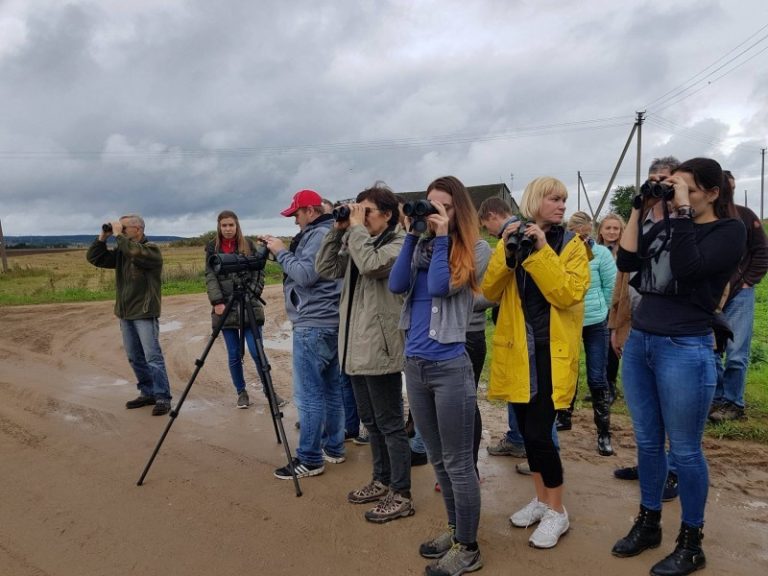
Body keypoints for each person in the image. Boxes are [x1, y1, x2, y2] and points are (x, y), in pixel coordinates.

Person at [611, 158, 745, 576]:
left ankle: (691, 541)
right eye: (673, 188)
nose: (675, 195)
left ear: (712, 192)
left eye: (685, 187)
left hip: (685, 346)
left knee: (685, 450)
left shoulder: (729, 231)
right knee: (648, 443)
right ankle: (649, 522)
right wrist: (640, 207)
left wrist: (681, 211)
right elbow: (627, 262)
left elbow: (687, 269)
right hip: (642, 343)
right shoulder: (664, 222)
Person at [483, 177, 589, 549]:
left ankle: (558, 512)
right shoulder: (511, 237)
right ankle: (542, 500)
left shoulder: (572, 245)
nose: (561, 205)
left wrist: (542, 250)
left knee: (542, 433)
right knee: (527, 432)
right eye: (553, 198)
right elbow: (490, 291)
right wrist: (507, 255)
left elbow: (567, 293)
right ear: (534, 201)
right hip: (519, 351)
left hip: (550, 351)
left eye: (563, 199)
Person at [389, 176, 485, 576]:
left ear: (456, 210)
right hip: (416, 364)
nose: (431, 212)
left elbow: (442, 287)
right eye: (427, 205)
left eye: (440, 206)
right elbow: (397, 285)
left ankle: (469, 546)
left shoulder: (477, 249)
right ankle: (454, 529)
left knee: (459, 463)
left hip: (449, 367)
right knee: (437, 459)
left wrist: (442, 236)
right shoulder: (421, 244)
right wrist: (412, 235)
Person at [316, 182, 413, 523]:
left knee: (389, 423)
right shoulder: (359, 240)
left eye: (366, 210)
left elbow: (372, 266)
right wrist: (337, 231)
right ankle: (381, 480)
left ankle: (401, 493)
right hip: (355, 347)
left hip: (381, 348)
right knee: (370, 422)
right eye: (358, 209)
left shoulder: (400, 243)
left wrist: (356, 232)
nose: (360, 215)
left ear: (387, 215)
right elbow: (325, 270)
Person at [609, 157, 681, 502]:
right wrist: (615, 326)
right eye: (653, 179)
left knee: (673, 410)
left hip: (676, 331)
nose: (658, 185)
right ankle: (649, 464)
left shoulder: (691, 221)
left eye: (665, 179)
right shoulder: (639, 220)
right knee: (645, 412)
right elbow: (622, 276)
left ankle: (675, 472)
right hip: (637, 325)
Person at [262, 189, 345, 479]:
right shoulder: (334, 231)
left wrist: (281, 251)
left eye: (296, 214)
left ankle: (310, 459)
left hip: (313, 322)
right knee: (332, 389)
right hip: (333, 321)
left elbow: (307, 275)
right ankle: (333, 448)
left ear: (310, 211)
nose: (295, 221)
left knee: (309, 395)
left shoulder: (318, 235)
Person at [86, 214, 173, 416]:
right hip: (125, 312)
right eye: (120, 228)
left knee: (152, 356)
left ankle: (162, 396)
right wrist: (103, 237)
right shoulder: (123, 251)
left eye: (124, 228)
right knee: (135, 356)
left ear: (138, 229)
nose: (120, 231)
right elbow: (95, 258)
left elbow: (135, 252)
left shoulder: (150, 250)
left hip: (143, 310)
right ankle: (147, 392)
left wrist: (118, 237)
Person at [204, 210, 286, 409]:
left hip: (249, 304)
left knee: (257, 351)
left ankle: (270, 391)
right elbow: (210, 276)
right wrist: (217, 302)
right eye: (224, 225)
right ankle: (241, 392)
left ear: (237, 225)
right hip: (225, 306)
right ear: (219, 226)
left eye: (231, 225)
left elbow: (259, 270)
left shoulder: (248, 245)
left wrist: (253, 293)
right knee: (234, 354)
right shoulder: (212, 248)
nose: (228, 229)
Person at [709, 170, 768, 422]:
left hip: (739, 294)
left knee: (736, 351)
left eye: (731, 186)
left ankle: (734, 403)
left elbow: (761, 252)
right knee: (711, 349)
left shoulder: (745, 216)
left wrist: (747, 283)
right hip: (710, 294)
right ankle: (717, 398)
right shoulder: (706, 218)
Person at [477, 197, 527, 459]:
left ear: (492, 215)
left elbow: (492, 287)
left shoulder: (518, 238)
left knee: (526, 390)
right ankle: (518, 437)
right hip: (514, 321)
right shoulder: (518, 235)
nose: (488, 232)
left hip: (521, 322)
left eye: (486, 225)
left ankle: (533, 448)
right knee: (516, 386)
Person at [566, 211, 617, 456]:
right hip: (569, 320)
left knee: (597, 377)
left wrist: (606, 314)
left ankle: (604, 433)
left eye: (586, 236)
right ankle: (565, 416)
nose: (582, 241)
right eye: (576, 236)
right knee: (568, 371)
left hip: (596, 321)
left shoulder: (602, 254)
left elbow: (611, 287)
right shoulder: (561, 253)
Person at [597, 212, 626, 403]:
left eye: (616, 228)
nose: (612, 232)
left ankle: (611, 384)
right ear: (601, 230)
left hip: (618, 304)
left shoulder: (625, 251)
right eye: (608, 228)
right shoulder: (595, 250)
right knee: (599, 347)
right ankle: (599, 385)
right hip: (600, 304)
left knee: (613, 346)